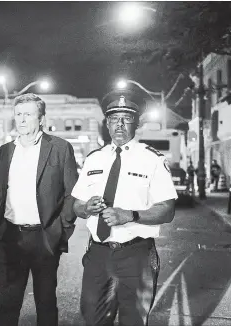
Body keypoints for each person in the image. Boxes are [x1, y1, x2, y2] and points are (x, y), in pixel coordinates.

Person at [72, 96, 177, 326]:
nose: (119, 124)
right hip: (98, 254)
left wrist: (130, 215)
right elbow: (76, 205)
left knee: (134, 321)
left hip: (136, 256)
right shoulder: (93, 159)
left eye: (126, 118)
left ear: (136, 123)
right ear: (107, 123)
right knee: (93, 318)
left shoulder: (153, 160)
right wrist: (86, 207)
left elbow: (167, 210)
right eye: (113, 119)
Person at [0, 93, 79, 326]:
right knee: (8, 304)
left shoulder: (59, 148)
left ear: (41, 118)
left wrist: (61, 229)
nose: (22, 119)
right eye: (18, 114)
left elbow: (72, 193)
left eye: (28, 114)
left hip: (44, 237)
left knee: (46, 302)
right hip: (10, 237)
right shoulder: (6, 151)